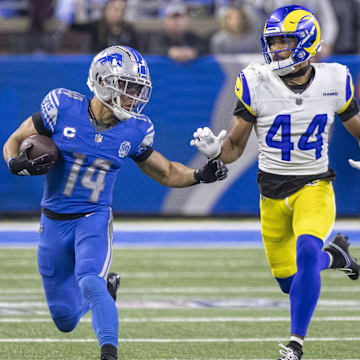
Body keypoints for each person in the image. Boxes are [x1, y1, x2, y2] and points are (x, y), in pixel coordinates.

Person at [2, 45, 228, 360]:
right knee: (64, 319)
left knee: (89, 281)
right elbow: (13, 141)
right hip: (52, 221)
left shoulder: (137, 128)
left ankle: (109, 353)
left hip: (93, 218)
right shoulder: (61, 107)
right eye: (127, 87)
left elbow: (165, 172)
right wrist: (15, 163)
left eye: (138, 89)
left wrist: (201, 174)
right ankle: (109, 288)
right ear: (102, 80)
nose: (134, 97)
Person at [190, 5, 360, 360]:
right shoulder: (256, 81)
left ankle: (295, 343)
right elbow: (235, 147)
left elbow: (357, 127)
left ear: (307, 41)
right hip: (271, 192)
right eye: (274, 41)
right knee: (289, 282)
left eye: (286, 41)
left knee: (308, 251)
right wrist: (215, 152)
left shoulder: (334, 80)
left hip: (314, 185)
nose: (278, 49)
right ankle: (338, 256)